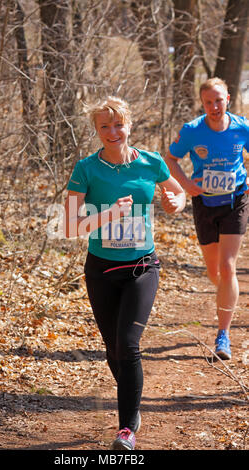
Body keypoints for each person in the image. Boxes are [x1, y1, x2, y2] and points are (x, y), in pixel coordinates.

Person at [64, 96, 185, 450]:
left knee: (128, 345)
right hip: (101, 269)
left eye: (118, 124)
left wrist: (174, 203)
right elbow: (69, 226)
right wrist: (107, 215)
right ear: (96, 131)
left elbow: (177, 195)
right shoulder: (86, 169)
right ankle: (132, 399)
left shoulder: (151, 162)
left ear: (129, 125)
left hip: (141, 267)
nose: (113, 132)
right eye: (105, 126)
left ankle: (126, 429)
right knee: (113, 349)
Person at [165, 77, 249, 361]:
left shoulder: (242, 127)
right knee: (215, 272)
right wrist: (186, 185)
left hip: (236, 199)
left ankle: (223, 336)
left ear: (228, 97)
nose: (214, 106)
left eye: (219, 100)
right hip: (204, 202)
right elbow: (170, 159)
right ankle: (225, 293)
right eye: (208, 102)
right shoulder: (191, 131)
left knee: (228, 267)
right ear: (202, 104)